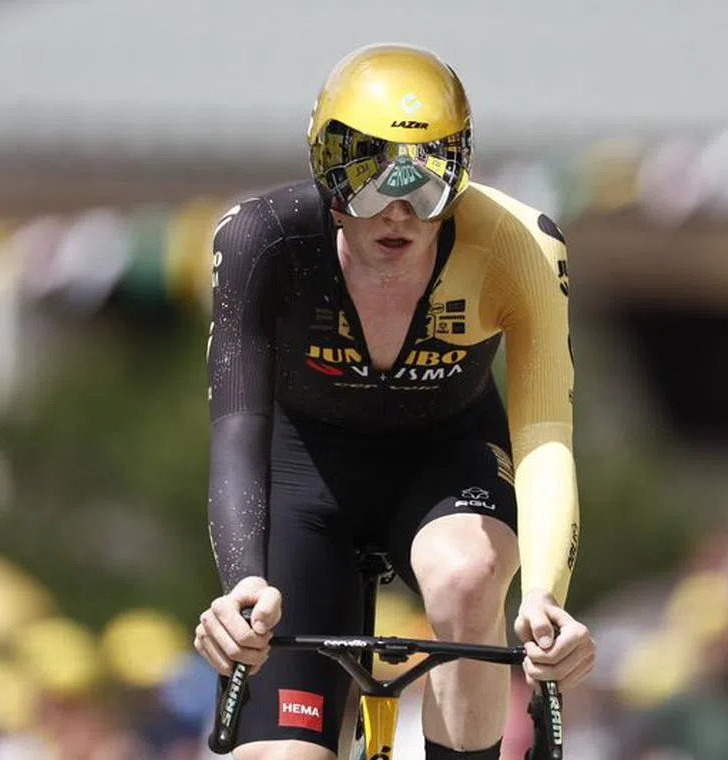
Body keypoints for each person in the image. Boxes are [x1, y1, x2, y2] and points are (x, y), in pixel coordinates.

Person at [193, 42, 596, 760]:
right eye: (365, 174)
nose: (400, 208)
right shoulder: (263, 240)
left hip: (445, 461)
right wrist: (242, 586)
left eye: (431, 176)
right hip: (303, 473)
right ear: (324, 168)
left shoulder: (519, 247)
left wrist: (544, 599)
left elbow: (544, 435)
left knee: (469, 580)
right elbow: (236, 429)